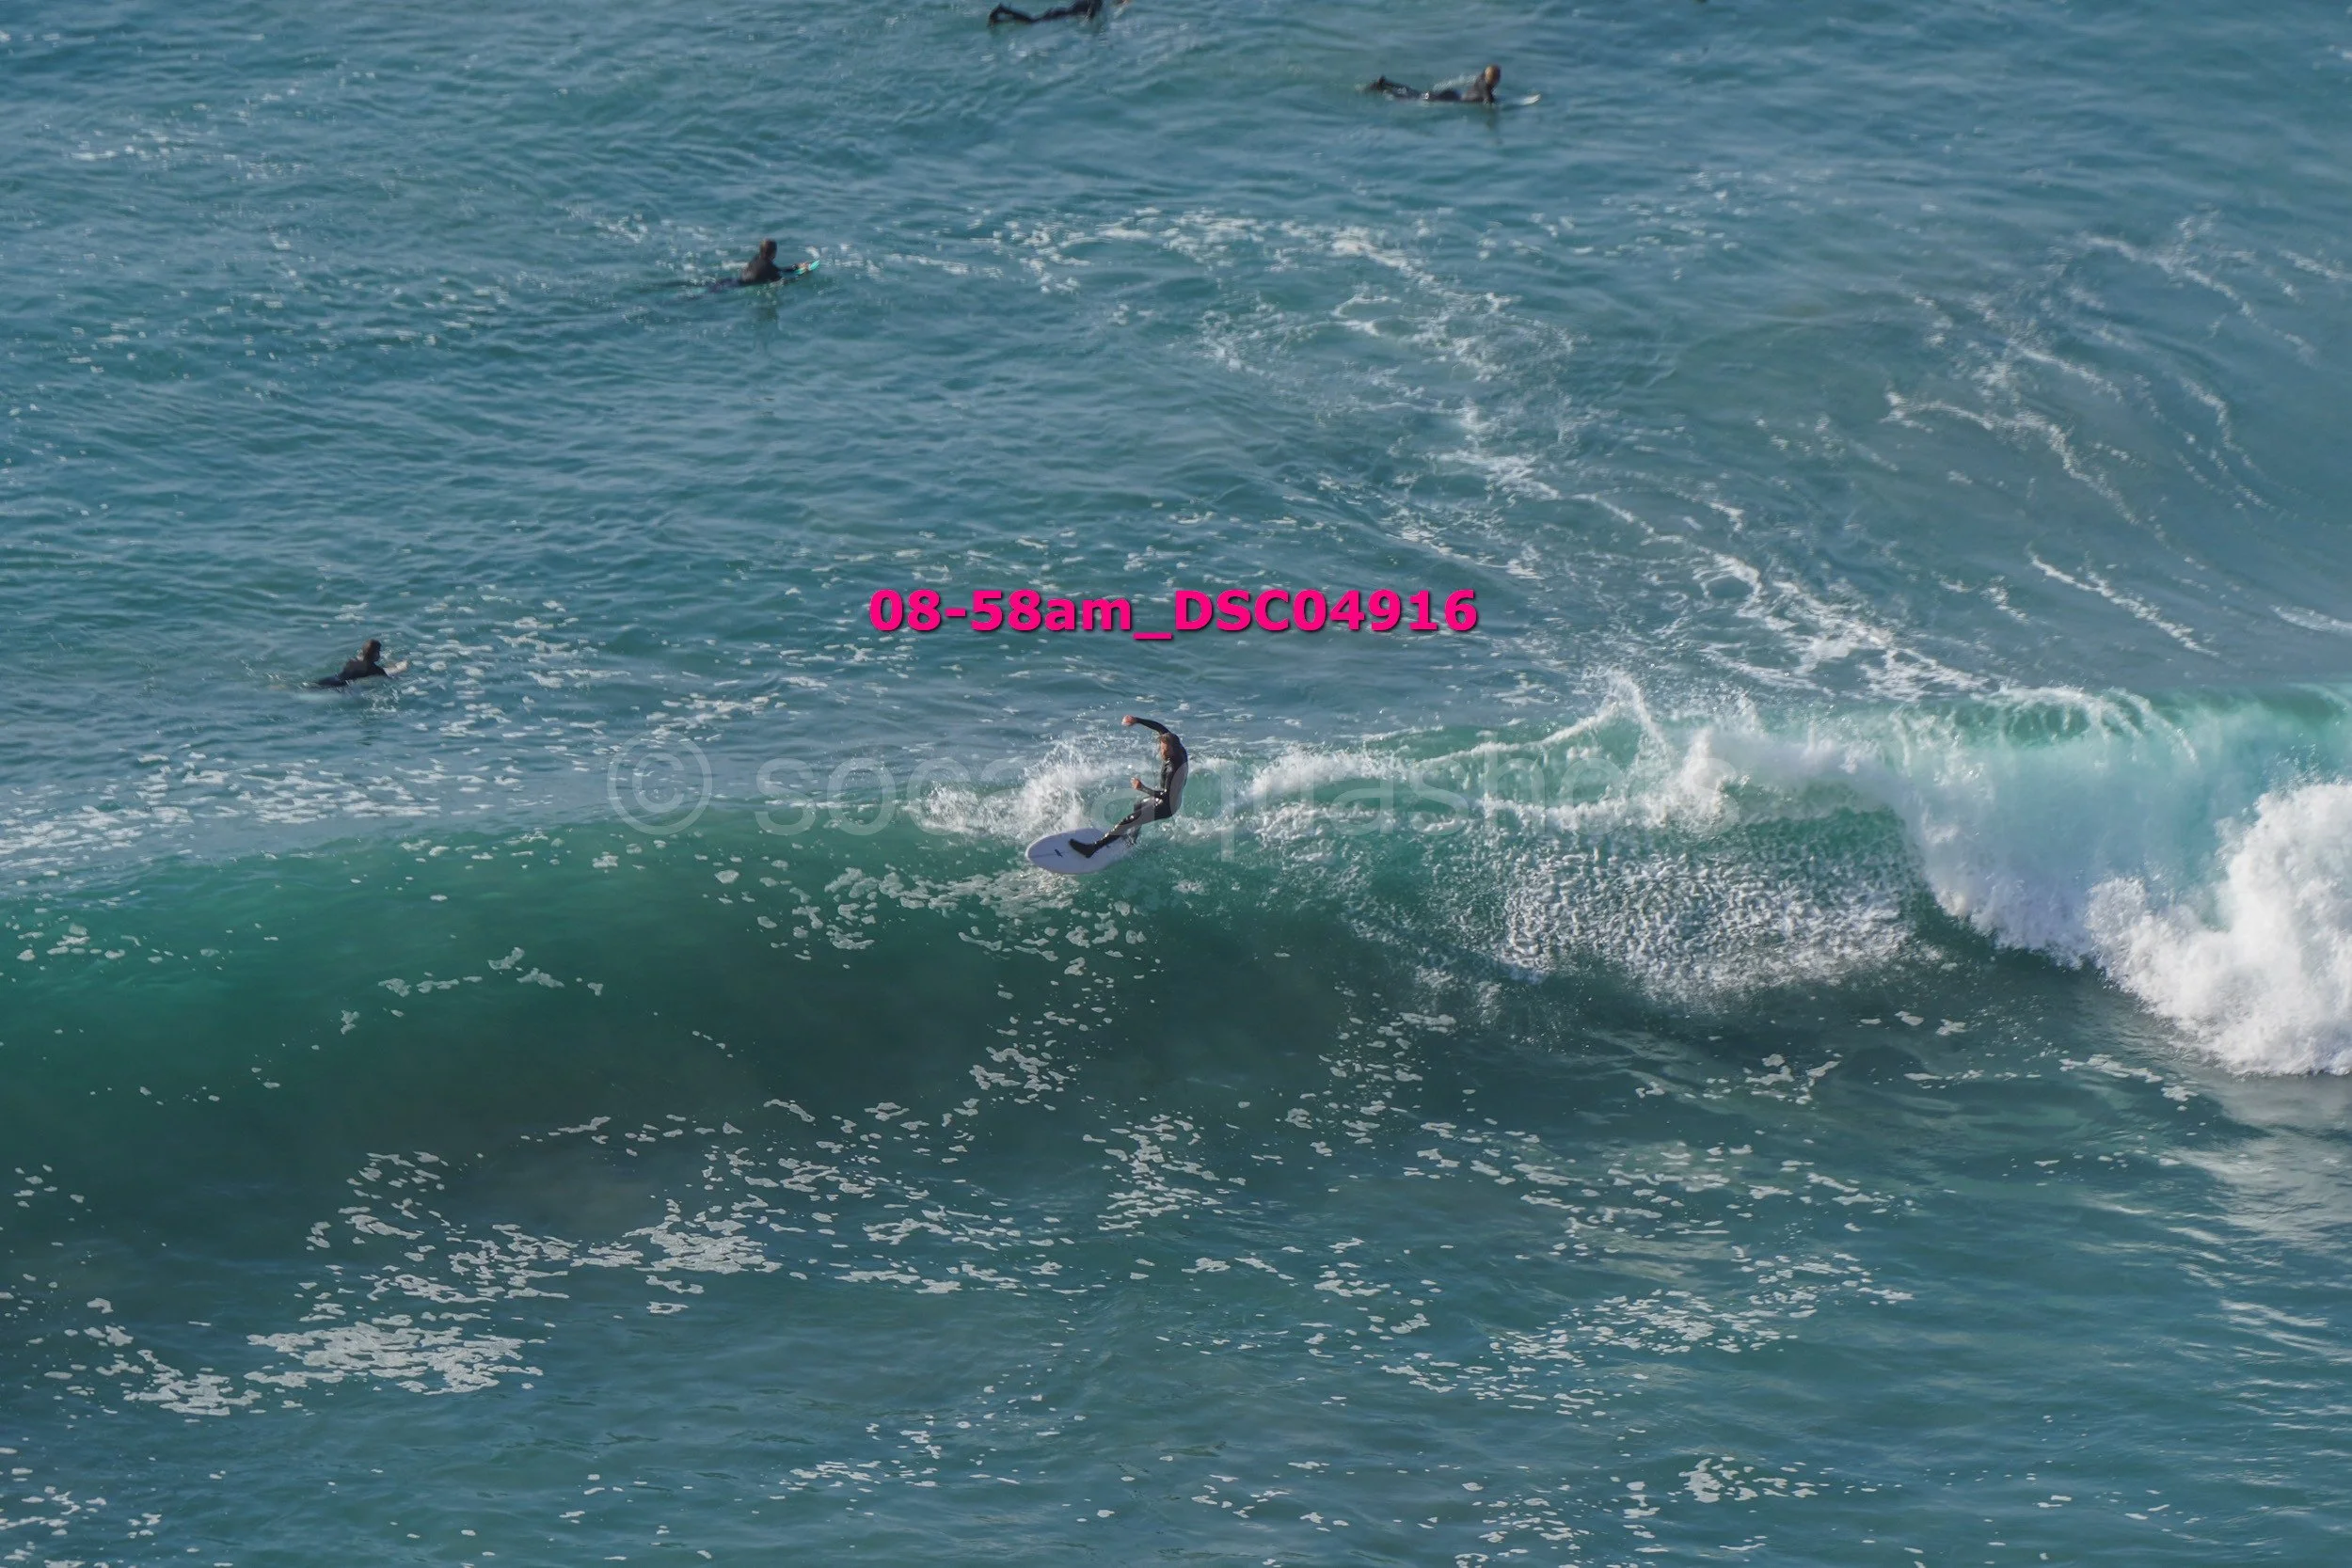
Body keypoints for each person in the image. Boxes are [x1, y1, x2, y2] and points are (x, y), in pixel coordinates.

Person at [1073, 715, 1187, 857]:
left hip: (1168, 806)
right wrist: (1138, 720)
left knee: (1128, 820)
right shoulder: (1176, 745)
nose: (1162, 752)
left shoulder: (1173, 768)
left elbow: (1166, 794)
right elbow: (1159, 728)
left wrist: (1142, 788)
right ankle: (1131, 839)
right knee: (1139, 804)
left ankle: (1092, 849)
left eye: (1165, 750)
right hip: (1167, 799)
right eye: (1161, 748)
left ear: (1173, 750)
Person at [1367, 63, 1502, 103]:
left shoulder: (1481, 79)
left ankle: (1387, 83)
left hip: (1453, 95)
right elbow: (1489, 102)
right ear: (1494, 79)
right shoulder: (1486, 89)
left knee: (1415, 93)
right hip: (1449, 97)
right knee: (1411, 96)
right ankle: (1381, 88)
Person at [316, 638, 392, 689]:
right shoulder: (373, 669)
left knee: (313, 687)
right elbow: (389, 678)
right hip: (340, 685)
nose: (380, 654)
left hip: (332, 678)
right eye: (379, 651)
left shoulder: (352, 661)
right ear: (375, 654)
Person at [990, 0, 1120, 24]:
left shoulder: (1091, 1)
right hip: (1060, 14)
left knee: (1033, 21)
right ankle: (1003, 10)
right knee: (1032, 22)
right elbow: (1091, 13)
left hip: (1058, 12)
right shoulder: (1096, 3)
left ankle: (1001, 18)